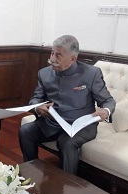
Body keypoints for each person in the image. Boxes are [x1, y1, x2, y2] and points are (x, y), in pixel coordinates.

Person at [19, 35, 115, 175]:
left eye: (58, 55)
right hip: (53, 122)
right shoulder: (44, 73)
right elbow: (35, 99)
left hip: (81, 126)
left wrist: (106, 111)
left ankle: (68, 186)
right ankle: (31, 173)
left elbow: (108, 101)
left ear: (73, 59)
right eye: (52, 52)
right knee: (25, 131)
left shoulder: (91, 73)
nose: (52, 59)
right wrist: (38, 108)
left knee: (66, 143)